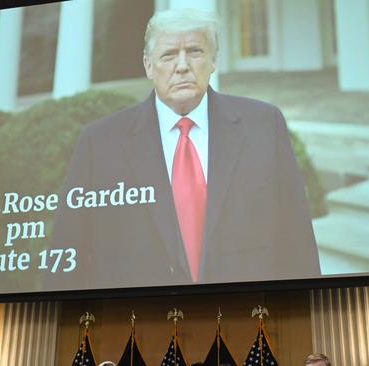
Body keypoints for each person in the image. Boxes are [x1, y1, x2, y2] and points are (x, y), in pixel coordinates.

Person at [51, 8, 320, 290]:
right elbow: (68, 254)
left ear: (213, 60)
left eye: (194, 51)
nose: (182, 66)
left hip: (247, 315)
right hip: (136, 322)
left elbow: (297, 241)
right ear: (148, 66)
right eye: (168, 55)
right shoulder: (99, 142)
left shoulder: (264, 125)